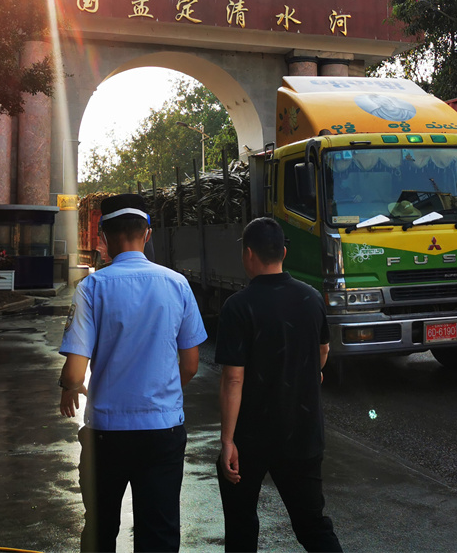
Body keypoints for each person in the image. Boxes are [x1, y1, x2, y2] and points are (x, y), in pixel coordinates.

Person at [58, 193, 208, 552]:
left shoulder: (92, 288)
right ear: (148, 234)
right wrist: (161, 395)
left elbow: (75, 372)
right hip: (162, 430)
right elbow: (190, 364)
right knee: (159, 534)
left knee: (100, 530)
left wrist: (68, 386)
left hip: (106, 434)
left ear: (104, 237)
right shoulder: (177, 284)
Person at [215, 217, 342, 553]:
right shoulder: (311, 298)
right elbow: (323, 351)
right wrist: (309, 373)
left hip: (251, 437)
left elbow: (233, 378)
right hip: (302, 432)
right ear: (283, 253)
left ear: (248, 254)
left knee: (241, 525)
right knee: (312, 525)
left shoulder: (237, 306)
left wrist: (227, 440)